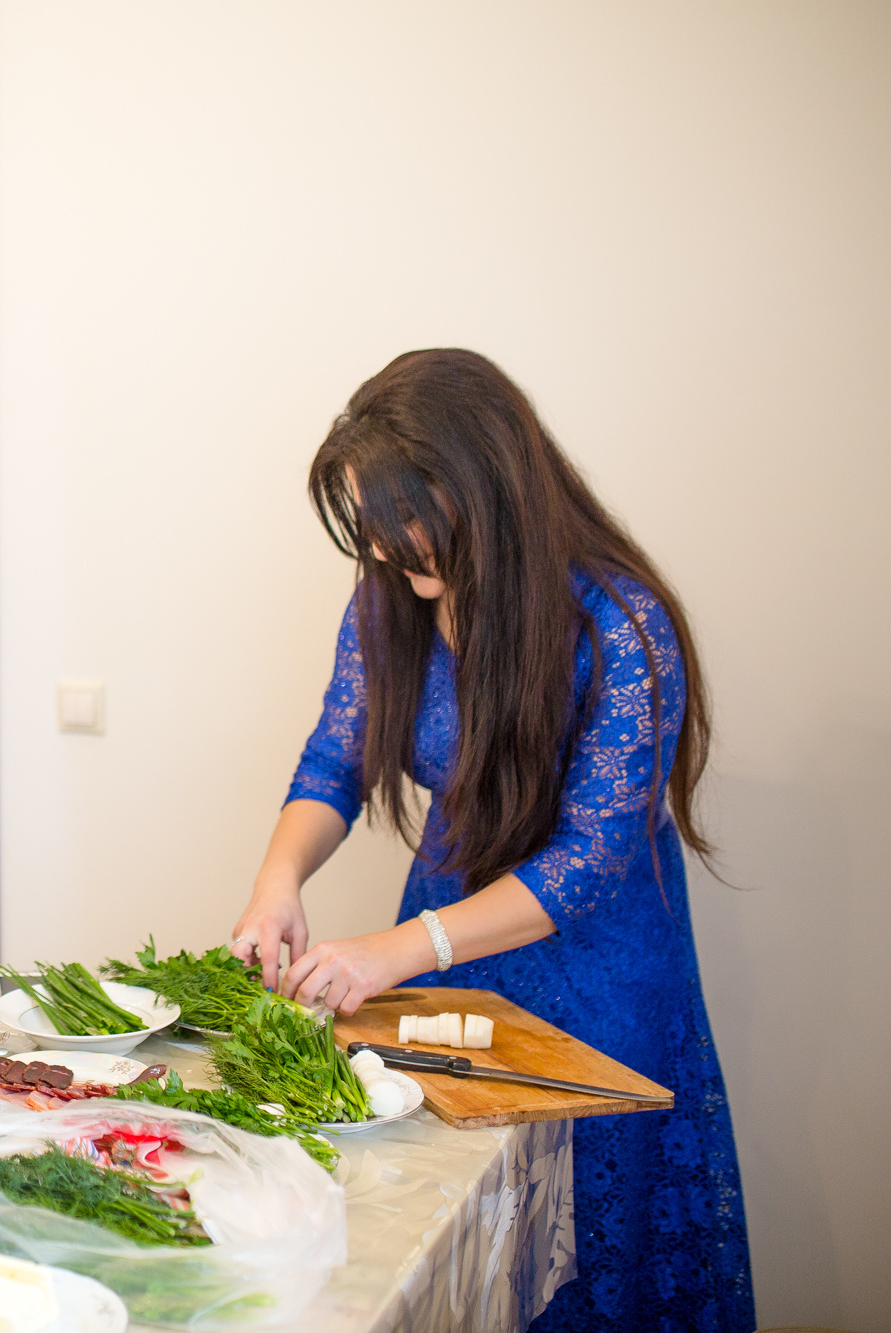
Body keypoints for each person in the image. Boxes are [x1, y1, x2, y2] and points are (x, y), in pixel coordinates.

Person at [232, 350, 753, 1331]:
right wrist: (275, 884)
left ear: (487, 483)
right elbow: (333, 764)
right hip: (442, 948)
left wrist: (396, 951)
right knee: (450, 1230)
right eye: (371, 529)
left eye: (404, 521)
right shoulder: (390, 596)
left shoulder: (621, 628)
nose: (388, 552)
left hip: (593, 971)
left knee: (587, 1248)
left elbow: (588, 860)